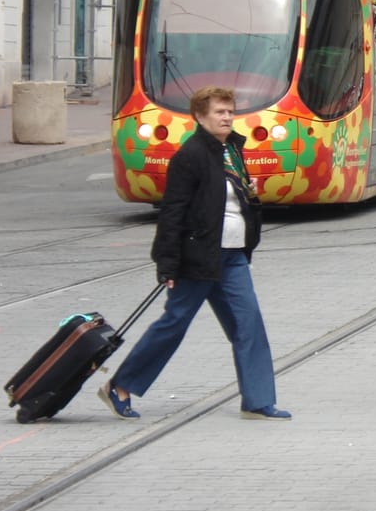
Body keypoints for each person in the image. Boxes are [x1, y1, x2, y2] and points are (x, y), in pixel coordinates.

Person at [99, 86, 290, 421]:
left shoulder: (231, 150)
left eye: (230, 111)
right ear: (200, 117)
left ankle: (258, 401)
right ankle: (120, 386)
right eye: (220, 112)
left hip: (232, 258)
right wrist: (168, 264)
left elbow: (230, 200)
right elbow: (173, 212)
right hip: (197, 258)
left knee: (249, 325)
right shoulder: (190, 157)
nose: (227, 117)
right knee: (174, 324)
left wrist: (250, 196)